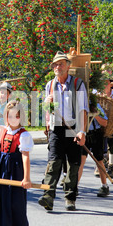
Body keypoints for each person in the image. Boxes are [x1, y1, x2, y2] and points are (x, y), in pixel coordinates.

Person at [38, 51, 88, 211]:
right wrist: (47, 104)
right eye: (55, 64)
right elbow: (48, 110)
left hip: (73, 127)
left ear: (68, 66)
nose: (57, 67)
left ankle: (70, 197)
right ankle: (48, 196)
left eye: (60, 64)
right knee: (54, 162)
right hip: (56, 129)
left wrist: (82, 132)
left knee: (73, 164)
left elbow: (83, 109)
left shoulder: (77, 84)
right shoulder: (50, 85)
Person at [78, 95, 109, 197]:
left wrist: (95, 114)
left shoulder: (96, 105)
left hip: (96, 134)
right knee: (81, 161)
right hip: (84, 135)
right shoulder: (77, 106)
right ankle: (74, 186)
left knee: (99, 160)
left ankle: (104, 185)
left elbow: (105, 122)